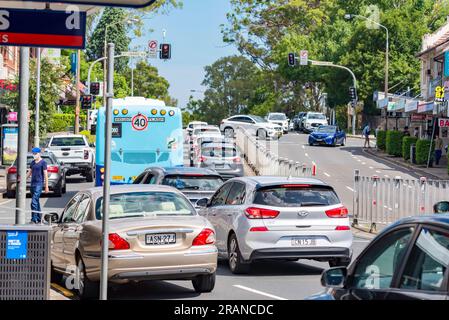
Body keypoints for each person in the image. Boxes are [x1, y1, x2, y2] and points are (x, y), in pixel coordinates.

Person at [27, 147, 49, 223]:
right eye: (33, 154)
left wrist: (46, 187)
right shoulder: (32, 162)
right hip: (32, 184)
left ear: (39, 153)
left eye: (35, 154)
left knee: (33, 202)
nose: (34, 155)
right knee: (36, 201)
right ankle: (39, 218)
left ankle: (34, 219)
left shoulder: (43, 163)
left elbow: (46, 175)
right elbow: (29, 173)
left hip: (39, 184)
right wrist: (23, 180)